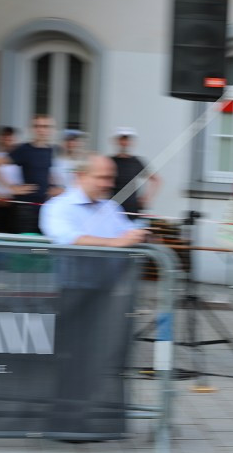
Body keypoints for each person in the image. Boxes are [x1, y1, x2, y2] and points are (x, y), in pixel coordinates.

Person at [40, 154, 149, 436]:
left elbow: (128, 233)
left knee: (96, 360)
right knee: (71, 359)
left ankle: (86, 419)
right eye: (101, 177)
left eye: (110, 178)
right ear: (80, 176)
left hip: (106, 297)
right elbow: (68, 238)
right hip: (72, 293)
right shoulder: (58, 207)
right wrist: (116, 243)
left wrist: (140, 234)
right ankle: (63, 423)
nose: (108, 184)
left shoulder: (111, 208)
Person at [10, 114, 62, 234]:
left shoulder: (51, 150)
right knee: (26, 245)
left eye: (45, 126)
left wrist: (55, 187)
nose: (41, 129)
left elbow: (46, 172)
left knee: (42, 245)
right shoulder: (24, 149)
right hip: (26, 207)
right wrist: (11, 187)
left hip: (46, 207)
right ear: (31, 129)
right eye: (37, 126)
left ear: (51, 130)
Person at [0, 125, 32, 233]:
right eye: (5, 136)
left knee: (14, 237)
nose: (8, 140)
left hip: (16, 204)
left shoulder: (21, 157)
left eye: (10, 137)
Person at [112, 127, 160, 216]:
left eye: (127, 140)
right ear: (117, 141)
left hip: (132, 210)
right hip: (113, 209)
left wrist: (146, 198)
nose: (124, 143)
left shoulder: (136, 162)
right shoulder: (110, 161)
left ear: (131, 142)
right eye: (122, 139)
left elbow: (156, 180)